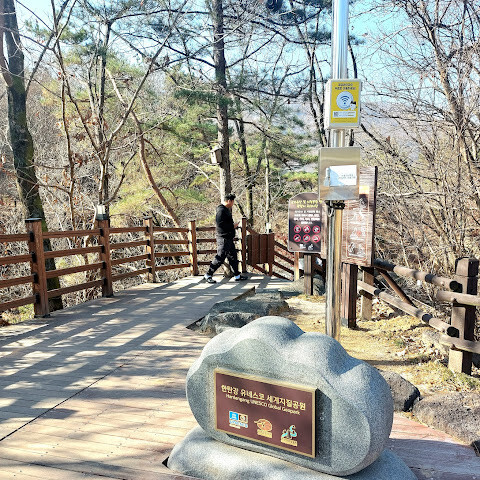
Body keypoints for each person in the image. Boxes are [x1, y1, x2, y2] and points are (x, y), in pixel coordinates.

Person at [204, 193, 247, 284]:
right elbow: (220, 225)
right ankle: (208, 274)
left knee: (233, 257)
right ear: (229, 201)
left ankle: (237, 275)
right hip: (223, 238)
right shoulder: (221, 211)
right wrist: (233, 226)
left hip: (228, 238)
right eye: (233, 202)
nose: (233, 204)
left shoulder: (225, 210)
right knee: (220, 257)